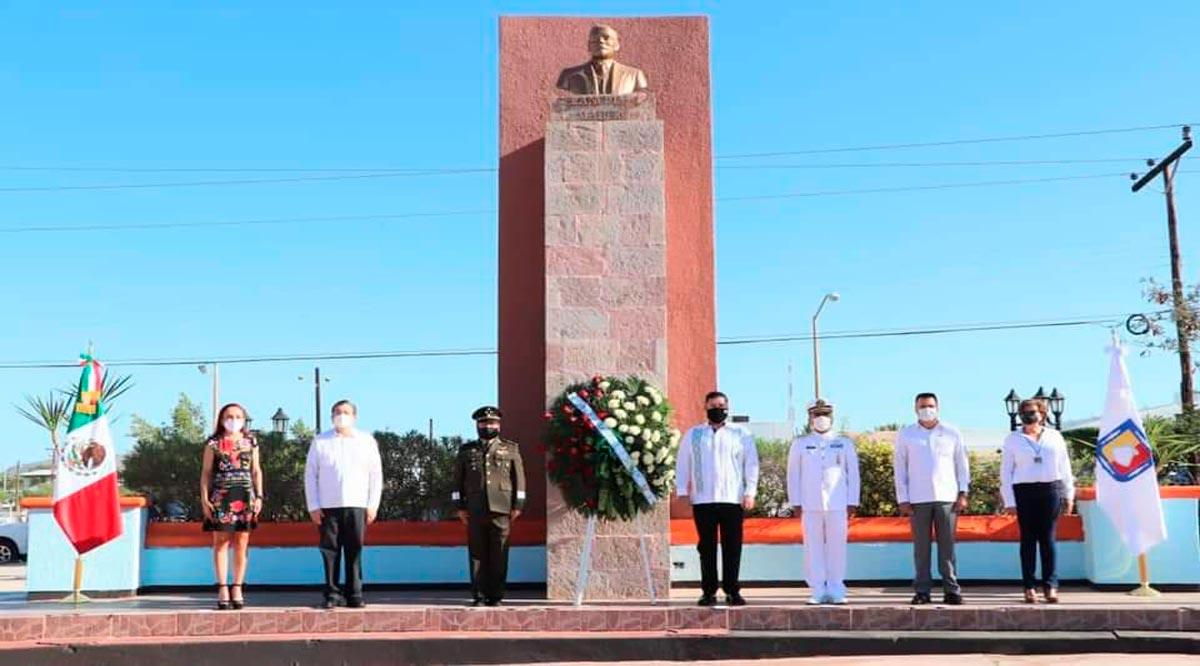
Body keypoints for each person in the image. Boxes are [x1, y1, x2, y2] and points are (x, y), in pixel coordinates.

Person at [675, 391, 759, 607]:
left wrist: (750, 492)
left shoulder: (741, 434)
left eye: (722, 405)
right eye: (713, 405)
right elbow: (683, 464)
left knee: (732, 547)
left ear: (728, 407)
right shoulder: (694, 434)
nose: (718, 409)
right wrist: (682, 491)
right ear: (706, 407)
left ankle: (732, 590)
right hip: (703, 500)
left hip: (732, 499)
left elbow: (751, 464)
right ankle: (708, 591)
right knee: (706, 548)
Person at [304, 400, 383, 609]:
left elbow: (376, 475)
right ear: (331, 417)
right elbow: (310, 475)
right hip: (328, 505)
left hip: (357, 504)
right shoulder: (320, 441)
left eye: (346, 412)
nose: (342, 416)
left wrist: (372, 504)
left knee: (354, 549)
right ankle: (332, 593)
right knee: (330, 550)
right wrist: (313, 505)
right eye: (338, 412)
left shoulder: (366, 441)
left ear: (355, 417)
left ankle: (354, 593)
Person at [893, 392, 970, 606]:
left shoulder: (952, 432)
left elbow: (962, 465)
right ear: (915, 408)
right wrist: (903, 498)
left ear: (937, 406)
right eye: (922, 406)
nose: (927, 409)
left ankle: (951, 590)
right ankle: (922, 591)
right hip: (918, 498)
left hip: (947, 497)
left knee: (948, 547)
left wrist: (963, 493)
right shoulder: (907, 434)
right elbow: (900, 468)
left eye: (930, 405)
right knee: (921, 549)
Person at [1001, 398, 1076, 604]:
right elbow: (1006, 472)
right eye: (1024, 412)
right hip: (1024, 491)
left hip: (1049, 489)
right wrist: (1009, 500)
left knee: (1048, 539)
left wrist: (1069, 495)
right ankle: (1029, 586)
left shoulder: (1054, 436)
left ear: (1042, 414)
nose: (1028, 415)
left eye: (1032, 411)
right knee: (1028, 539)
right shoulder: (1012, 439)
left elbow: (1065, 468)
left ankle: (1050, 586)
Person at [452, 406, 526, 607]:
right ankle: (479, 595)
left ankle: (496, 595)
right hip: (475, 509)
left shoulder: (510, 448)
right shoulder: (467, 450)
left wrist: (518, 504)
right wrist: (459, 506)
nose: (488, 426)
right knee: (477, 553)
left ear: (499, 425)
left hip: (502, 508)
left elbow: (519, 479)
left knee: (499, 553)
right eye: (484, 423)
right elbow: (457, 481)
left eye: (492, 423)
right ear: (477, 425)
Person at [788, 400, 860, 605]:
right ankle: (818, 589)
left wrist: (853, 500)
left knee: (837, 546)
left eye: (825, 414)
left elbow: (853, 474)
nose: (821, 418)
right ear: (809, 417)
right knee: (813, 547)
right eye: (817, 414)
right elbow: (793, 474)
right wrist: (795, 501)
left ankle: (837, 587)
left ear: (832, 417)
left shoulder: (843, 442)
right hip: (810, 503)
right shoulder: (800, 443)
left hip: (838, 502)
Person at [199, 403, 262, 610]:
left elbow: (256, 471)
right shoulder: (213, 443)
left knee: (242, 543)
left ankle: (237, 586)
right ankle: (222, 587)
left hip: (245, 497)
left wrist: (259, 496)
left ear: (244, 419)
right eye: (229, 416)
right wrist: (205, 499)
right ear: (221, 419)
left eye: (237, 416)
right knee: (221, 542)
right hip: (221, 497)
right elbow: (206, 473)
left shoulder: (250, 442)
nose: (233, 420)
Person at [556, 24, 649, 95]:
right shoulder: (568, 75)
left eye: (606, 38)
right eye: (595, 38)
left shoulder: (634, 75)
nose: (600, 41)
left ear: (616, 45)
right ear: (589, 46)